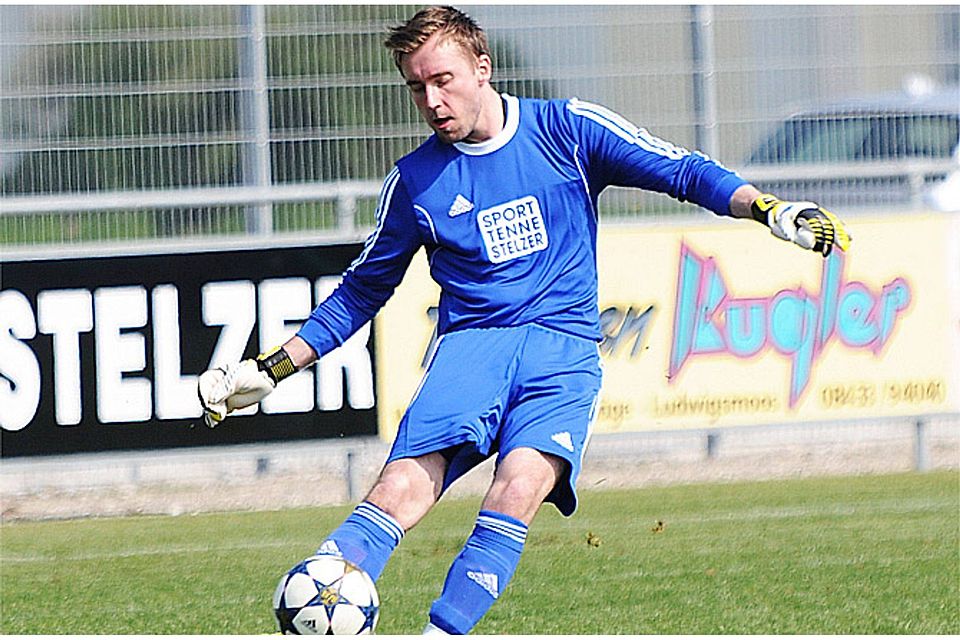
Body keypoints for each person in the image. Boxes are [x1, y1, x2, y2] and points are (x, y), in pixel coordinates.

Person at [198, 5, 851, 634]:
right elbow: (359, 293)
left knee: (515, 492)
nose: (431, 101)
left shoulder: (567, 129)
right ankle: (318, 617)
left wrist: (766, 208)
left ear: (481, 66)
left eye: (442, 80)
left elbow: (680, 170)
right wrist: (273, 367)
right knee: (398, 489)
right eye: (416, 88)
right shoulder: (415, 183)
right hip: (470, 352)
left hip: (561, 355)